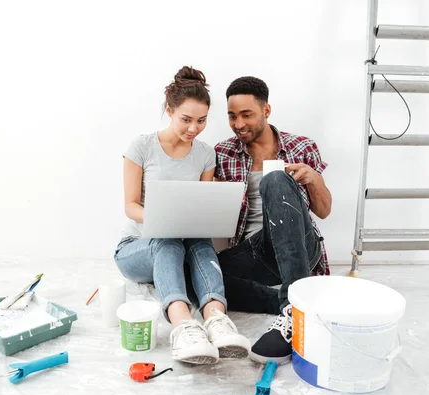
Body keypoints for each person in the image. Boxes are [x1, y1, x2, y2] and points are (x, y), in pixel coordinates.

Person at [114, 66, 250, 365]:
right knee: (167, 239)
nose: (193, 129)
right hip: (138, 247)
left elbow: (200, 205)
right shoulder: (142, 146)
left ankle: (216, 319)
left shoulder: (204, 153)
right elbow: (131, 206)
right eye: (186, 120)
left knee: (200, 240)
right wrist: (163, 222)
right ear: (169, 110)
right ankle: (183, 326)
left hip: (183, 243)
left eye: (201, 121)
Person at [214, 76, 332, 365]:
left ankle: (293, 311)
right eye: (232, 116)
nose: (238, 123)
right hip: (254, 253)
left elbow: (324, 210)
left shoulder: (302, 146)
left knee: (276, 180)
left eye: (246, 114)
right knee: (197, 275)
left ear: (266, 111)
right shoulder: (221, 153)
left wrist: (313, 179)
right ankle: (291, 298)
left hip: (300, 246)